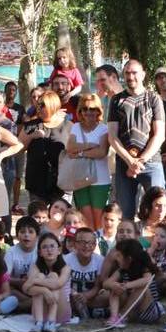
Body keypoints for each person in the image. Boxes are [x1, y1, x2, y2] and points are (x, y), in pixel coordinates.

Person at [106, 59, 165, 218]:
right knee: (125, 213)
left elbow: (160, 135)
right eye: (127, 73)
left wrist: (140, 160)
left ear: (143, 75)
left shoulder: (154, 99)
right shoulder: (116, 100)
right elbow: (112, 136)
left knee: (158, 210)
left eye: (134, 73)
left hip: (151, 162)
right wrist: (129, 161)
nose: (131, 77)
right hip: (124, 164)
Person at [63, 92, 110, 230]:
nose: (89, 112)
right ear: (80, 111)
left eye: (93, 109)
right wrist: (90, 146)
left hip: (100, 180)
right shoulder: (76, 127)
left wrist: (80, 152)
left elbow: (101, 152)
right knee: (85, 219)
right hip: (80, 178)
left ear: (99, 111)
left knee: (99, 219)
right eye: (85, 109)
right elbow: (70, 147)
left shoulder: (104, 129)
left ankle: (100, 247)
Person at [19, 89, 71, 204]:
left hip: (61, 183)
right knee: (38, 217)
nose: (39, 108)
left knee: (60, 218)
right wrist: (32, 136)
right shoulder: (31, 125)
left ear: (53, 106)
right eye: (38, 105)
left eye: (43, 105)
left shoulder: (68, 125)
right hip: (37, 182)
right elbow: (19, 147)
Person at [101, 237, 163, 326]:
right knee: (114, 287)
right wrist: (114, 285)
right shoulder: (122, 269)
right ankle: (114, 317)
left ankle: (122, 316)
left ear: (129, 259)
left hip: (148, 310)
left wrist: (126, 285)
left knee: (141, 287)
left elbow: (147, 280)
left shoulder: (143, 267)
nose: (115, 257)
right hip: (133, 311)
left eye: (119, 255)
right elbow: (105, 283)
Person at [24, 231, 70, 332]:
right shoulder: (35, 267)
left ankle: (51, 322)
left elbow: (58, 284)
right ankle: (39, 323)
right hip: (40, 312)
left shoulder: (65, 268)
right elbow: (26, 288)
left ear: (59, 250)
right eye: (44, 247)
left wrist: (35, 281)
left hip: (60, 311)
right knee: (40, 276)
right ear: (40, 252)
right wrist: (44, 290)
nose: (49, 250)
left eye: (52, 246)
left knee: (53, 275)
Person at [65, 226, 106, 319]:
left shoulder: (100, 260)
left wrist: (86, 295)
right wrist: (74, 294)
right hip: (71, 296)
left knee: (107, 295)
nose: (87, 246)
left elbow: (98, 286)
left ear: (95, 245)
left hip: (91, 298)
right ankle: (91, 312)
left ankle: (83, 311)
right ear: (75, 244)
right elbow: (63, 283)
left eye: (90, 243)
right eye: (82, 242)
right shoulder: (66, 259)